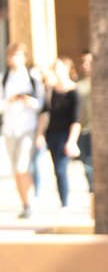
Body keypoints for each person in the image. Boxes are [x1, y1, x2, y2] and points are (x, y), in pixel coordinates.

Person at [1, 42, 45, 218]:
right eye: (10, 55)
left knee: (22, 167)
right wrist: (10, 100)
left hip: (28, 128)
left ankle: (31, 201)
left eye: (16, 55)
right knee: (16, 170)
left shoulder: (33, 79)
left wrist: (28, 100)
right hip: (9, 129)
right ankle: (25, 204)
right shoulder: (3, 79)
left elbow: (42, 105)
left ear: (24, 58)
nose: (13, 58)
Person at [43, 57, 81, 209]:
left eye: (59, 67)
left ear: (66, 69)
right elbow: (45, 113)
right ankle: (62, 201)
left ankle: (65, 204)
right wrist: (40, 134)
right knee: (56, 170)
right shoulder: (51, 91)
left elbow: (76, 120)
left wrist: (71, 140)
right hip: (51, 134)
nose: (56, 71)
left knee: (60, 169)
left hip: (65, 135)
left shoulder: (74, 92)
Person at [75, 49, 94, 194]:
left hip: (102, 131)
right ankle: (94, 193)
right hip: (83, 130)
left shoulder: (105, 83)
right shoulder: (77, 85)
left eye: (89, 62)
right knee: (87, 164)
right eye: (83, 62)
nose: (86, 65)